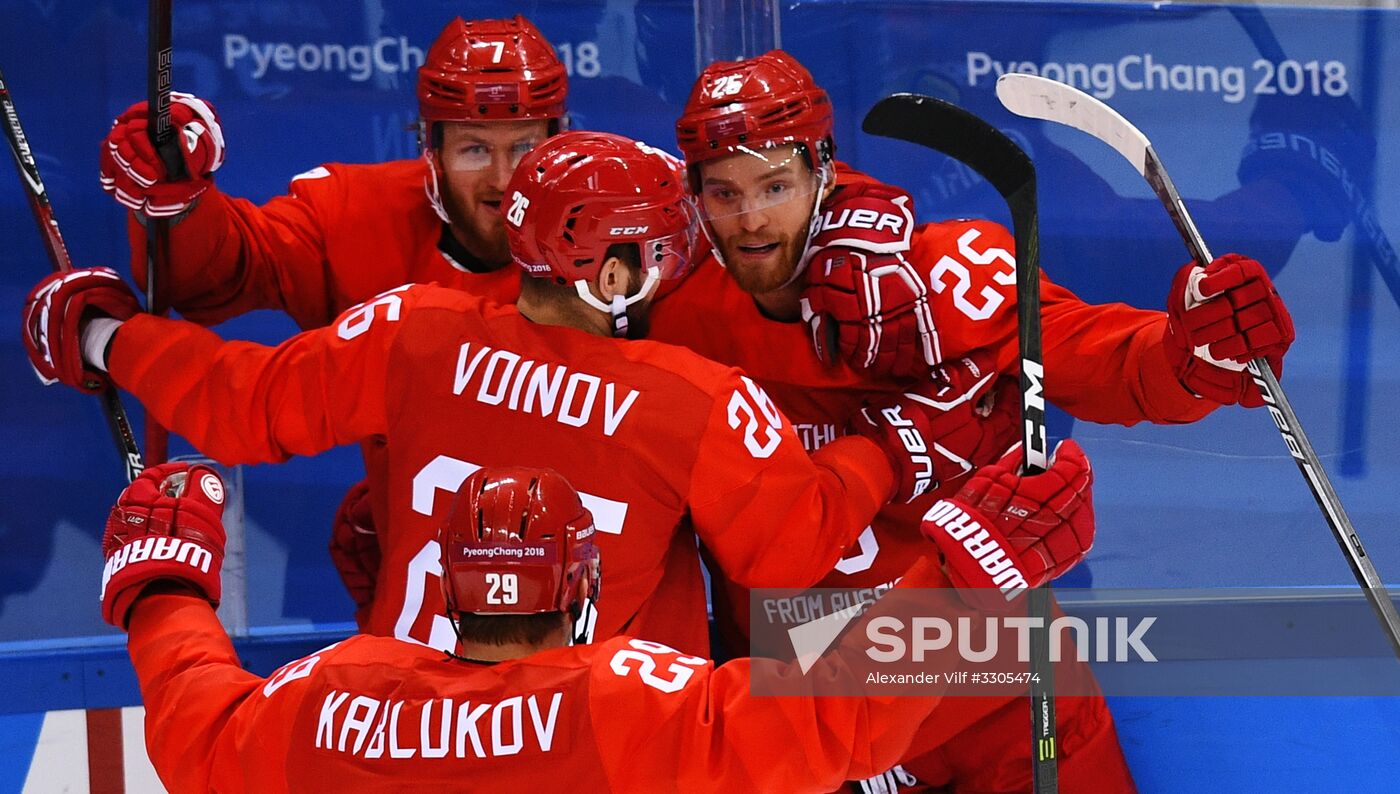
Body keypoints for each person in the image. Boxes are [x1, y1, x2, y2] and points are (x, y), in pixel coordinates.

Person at [24, 131, 1045, 661]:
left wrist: (105, 334)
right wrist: (899, 443)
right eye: (655, 247)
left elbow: (236, 402)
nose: (681, 259)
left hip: (408, 728)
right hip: (595, 740)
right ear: (604, 270)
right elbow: (792, 543)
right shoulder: (689, 397)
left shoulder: (414, 327)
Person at [644, 50, 1292, 792]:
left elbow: (1109, 362)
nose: (751, 218)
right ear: (694, 196)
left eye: (775, 186)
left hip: (1003, 697)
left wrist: (1193, 351)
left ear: (823, 173)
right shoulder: (677, 326)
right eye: (724, 193)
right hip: (821, 719)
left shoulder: (947, 276)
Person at [105, 455, 1095, 792]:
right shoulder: (622, 699)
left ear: (446, 586)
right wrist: (962, 570)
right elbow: (837, 712)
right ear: (580, 588)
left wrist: (163, 589)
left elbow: (197, 726)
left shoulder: (336, 695)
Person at [98, 14, 570, 622]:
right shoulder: (359, 218)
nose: (505, 180)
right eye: (476, 148)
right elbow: (227, 273)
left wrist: (103, 337)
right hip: (449, 644)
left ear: (560, 138)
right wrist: (182, 203)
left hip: (608, 641)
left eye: (526, 147)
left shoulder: (625, 242)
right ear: (430, 146)